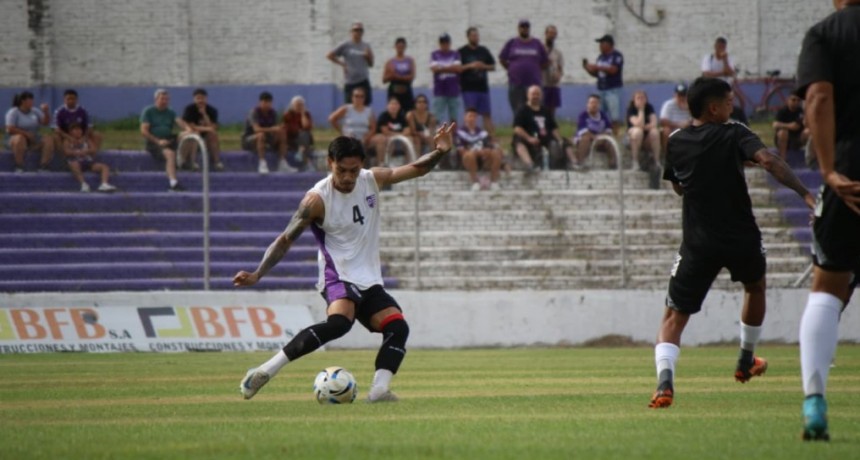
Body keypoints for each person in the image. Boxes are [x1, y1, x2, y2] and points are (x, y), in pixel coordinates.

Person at [234, 122, 458, 403]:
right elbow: (285, 239)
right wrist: (258, 273)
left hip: (369, 277)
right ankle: (265, 370)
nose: (348, 177)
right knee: (340, 323)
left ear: (361, 164)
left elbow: (416, 168)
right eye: (342, 170)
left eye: (353, 170)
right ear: (330, 163)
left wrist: (440, 151)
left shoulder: (371, 179)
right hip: (337, 275)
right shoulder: (316, 200)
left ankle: (378, 391)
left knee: (397, 327)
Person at [648, 77, 814, 410]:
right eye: (727, 102)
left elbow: (679, 186)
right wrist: (806, 195)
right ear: (713, 108)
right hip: (741, 237)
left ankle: (665, 385)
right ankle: (745, 361)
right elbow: (768, 160)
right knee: (754, 288)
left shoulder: (676, 140)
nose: (731, 107)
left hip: (697, 242)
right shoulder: (735, 132)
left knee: (673, 317)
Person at [795, 0, 860, 441]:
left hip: (851, 170)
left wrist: (827, 169)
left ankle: (815, 400)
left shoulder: (824, 34)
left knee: (829, 284)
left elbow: (818, 96)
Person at [140, 89, 189, 192]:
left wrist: (188, 130)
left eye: (167, 99)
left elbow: (181, 123)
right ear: (156, 99)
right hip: (154, 141)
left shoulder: (170, 111)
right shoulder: (149, 111)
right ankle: (173, 183)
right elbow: (144, 131)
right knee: (170, 154)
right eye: (162, 99)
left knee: (189, 136)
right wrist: (158, 141)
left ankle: (183, 161)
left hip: (168, 138)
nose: (165, 101)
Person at [511, 85, 570, 171]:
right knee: (519, 143)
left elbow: (553, 127)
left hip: (545, 139)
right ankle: (530, 165)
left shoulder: (545, 111)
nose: (535, 96)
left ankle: (572, 163)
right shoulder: (522, 110)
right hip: (528, 138)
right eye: (533, 94)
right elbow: (517, 128)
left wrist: (559, 140)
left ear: (541, 96)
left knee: (563, 142)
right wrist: (529, 138)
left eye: (538, 94)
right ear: (528, 95)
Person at [499, 19, 548, 115]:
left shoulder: (536, 43)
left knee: (535, 109)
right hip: (516, 83)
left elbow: (545, 61)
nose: (524, 29)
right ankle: (519, 128)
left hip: (534, 83)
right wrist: (511, 69)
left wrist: (535, 70)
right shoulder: (512, 43)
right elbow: (502, 59)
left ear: (529, 29)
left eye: (526, 27)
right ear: (518, 29)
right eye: (522, 27)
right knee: (518, 109)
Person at [242, 91, 295, 175]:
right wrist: (272, 129)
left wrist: (280, 129)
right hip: (250, 139)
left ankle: (282, 162)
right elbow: (256, 129)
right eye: (264, 102)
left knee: (282, 133)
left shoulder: (272, 113)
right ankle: (262, 163)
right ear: (260, 102)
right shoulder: (254, 113)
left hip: (266, 138)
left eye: (269, 102)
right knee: (260, 135)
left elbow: (275, 128)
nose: (267, 105)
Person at [458, 26, 497, 137]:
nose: (476, 38)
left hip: (483, 88)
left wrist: (483, 66)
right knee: (470, 114)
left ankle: (491, 139)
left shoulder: (483, 50)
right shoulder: (462, 52)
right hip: (468, 89)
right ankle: (467, 138)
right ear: (468, 37)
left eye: (477, 35)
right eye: (473, 36)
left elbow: (493, 66)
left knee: (487, 115)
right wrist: (471, 65)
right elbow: (457, 68)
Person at [4, 91, 53, 172]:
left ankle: (43, 165)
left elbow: (45, 123)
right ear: (23, 101)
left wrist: (46, 112)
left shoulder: (35, 111)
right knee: (20, 138)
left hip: (33, 141)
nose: (32, 102)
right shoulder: (13, 112)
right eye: (30, 100)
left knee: (48, 139)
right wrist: (26, 134)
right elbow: (10, 128)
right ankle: (19, 165)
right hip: (17, 140)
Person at [327, 22, 374, 105]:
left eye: (360, 30)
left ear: (362, 32)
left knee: (366, 105)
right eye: (355, 30)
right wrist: (343, 64)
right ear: (351, 32)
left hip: (363, 80)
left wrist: (368, 57)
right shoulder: (345, 45)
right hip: (350, 81)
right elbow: (329, 55)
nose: (358, 32)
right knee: (349, 106)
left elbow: (371, 64)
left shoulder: (366, 45)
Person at [582, 35, 624, 128]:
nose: (600, 46)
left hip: (612, 89)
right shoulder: (600, 57)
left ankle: (615, 134)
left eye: (602, 43)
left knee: (614, 116)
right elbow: (597, 74)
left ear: (609, 44)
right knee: (600, 114)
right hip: (601, 89)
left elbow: (614, 70)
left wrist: (597, 67)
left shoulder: (616, 56)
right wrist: (587, 69)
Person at [62, 123, 116, 193]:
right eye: (75, 130)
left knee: (104, 167)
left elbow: (93, 149)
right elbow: (66, 152)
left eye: (79, 130)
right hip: (75, 161)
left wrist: (86, 151)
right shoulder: (67, 141)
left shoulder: (86, 140)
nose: (78, 132)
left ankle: (104, 183)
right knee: (74, 164)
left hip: (88, 161)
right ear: (70, 132)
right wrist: (76, 153)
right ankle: (83, 184)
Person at [458, 107, 501, 191]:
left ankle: (493, 182)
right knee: (470, 155)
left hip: (482, 159)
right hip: (466, 160)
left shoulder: (482, 133)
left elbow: (490, 147)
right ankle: (475, 182)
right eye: (470, 116)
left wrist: (487, 151)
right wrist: (476, 152)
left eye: (474, 116)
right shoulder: (459, 132)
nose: (472, 118)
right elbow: (461, 151)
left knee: (496, 152)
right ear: (465, 117)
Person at [181, 88, 224, 171]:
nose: (200, 101)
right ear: (194, 99)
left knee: (213, 135)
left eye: (202, 98)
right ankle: (191, 162)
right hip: (192, 136)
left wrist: (204, 114)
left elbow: (214, 127)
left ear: (206, 98)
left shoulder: (212, 110)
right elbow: (191, 127)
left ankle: (217, 162)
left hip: (205, 137)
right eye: (198, 98)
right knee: (194, 134)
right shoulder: (189, 109)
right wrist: (208, 128)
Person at [328, 87, 376, 163]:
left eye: (361, 96)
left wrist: (367, 137)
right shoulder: (346, 109)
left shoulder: (368, 111)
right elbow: (332, 118)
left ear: (364, 98)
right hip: (349, 136)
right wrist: (342, 131)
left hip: (363, 137)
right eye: (356, 96)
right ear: (352, 97)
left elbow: (373, 128)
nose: (359, 98)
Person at [53, 89, 102, 161]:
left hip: (81, 135)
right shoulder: (59, 111)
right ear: (64, 100)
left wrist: (84, 138)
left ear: (77, 99)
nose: (71, 101)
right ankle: (63, 159)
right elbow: (56, 129)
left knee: (97, 135)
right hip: (65, 135)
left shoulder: (83, 111)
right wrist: (69, 138)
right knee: (55, 137)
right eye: (68, 99)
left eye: (73, 99)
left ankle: (92, 159)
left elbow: (90, 127)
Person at [572, 94, 614, 170]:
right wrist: (595, 138)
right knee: (585, 139)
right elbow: (584, 131)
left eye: (596, 103)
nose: (594, 105)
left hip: (600, 139)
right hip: (586, 139)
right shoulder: (583, 115)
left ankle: (613, 164)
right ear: (587, 104)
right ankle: (580, 163)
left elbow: (609, 129)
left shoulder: (603, 115)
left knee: (610, 140)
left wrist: (602, 137)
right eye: (591, 103)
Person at [626, 90, 661, 174]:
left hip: (646, 138)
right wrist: (641, 110)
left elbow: (654, 122)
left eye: (643, 97)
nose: (641, 100)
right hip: (633, 138)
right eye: (638, 98)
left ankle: (656, 161)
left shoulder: (649, 107)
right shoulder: (631, 109)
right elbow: (638, 124)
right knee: (638, 132)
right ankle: (635, 162)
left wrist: (647, 126)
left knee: (655, 132)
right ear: (634, 99)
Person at [430, 33, 462, 123]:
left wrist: (441, 68)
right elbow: (434, 69)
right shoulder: (435, 54)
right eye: (442, 43)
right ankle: (437, 135)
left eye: (446, 42)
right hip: (439, 90)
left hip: (453, 89)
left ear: (449, 43)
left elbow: (458, 69)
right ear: (440, 44)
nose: (444, 45)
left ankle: (453, 135)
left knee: (454, 117)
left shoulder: (455, 54)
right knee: (436, 116)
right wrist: (450, 68)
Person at [370, 97, 409, 166]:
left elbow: (407, 130)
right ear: (387, 106)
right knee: (386, 140)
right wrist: (400, 135)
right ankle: (382, 163)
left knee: (411, 139)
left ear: (399, 106)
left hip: (398, 138)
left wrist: (399, 135)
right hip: (384, 138)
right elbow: (385, 131)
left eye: (396, 104)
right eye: (391, 104)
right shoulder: (383, 116)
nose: (393, 106)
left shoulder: (402, 117)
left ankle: (409, 163)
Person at [772, 94, 809, 161]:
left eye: (798, 100)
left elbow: (796, 127)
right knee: (783, 132)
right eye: (793, 100)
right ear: (788, 100)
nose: (796, 102)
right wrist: (789, 126)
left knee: (808, 132)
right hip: (784, 139)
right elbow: (775, 124)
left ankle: (810, 157)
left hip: (797, 138)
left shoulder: (801, 112)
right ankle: (783, 159)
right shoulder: (782, 111)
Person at [383, 37, 416, 113]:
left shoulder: (409, 61)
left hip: (406, 92)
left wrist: (396, 76)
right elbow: (384, 79)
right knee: (393, 112)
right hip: (394, 92)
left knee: (409, 112)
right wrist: (392, 75)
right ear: (395, 47)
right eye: (398, 46)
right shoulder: (390, 62)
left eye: (402, 46)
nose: (400, 48)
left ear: (405, 47)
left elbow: (412, 76)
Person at [283, 96, 315, 171]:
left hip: (304, 138)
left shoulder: (306, 114)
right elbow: (290, 129)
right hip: (292, 139)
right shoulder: (288, 114)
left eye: (301, 105)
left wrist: (303, 114)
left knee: (305, 135)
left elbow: (307, 126)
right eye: (297, 105)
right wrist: (300, 130)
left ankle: (301, 153)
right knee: (304, 135)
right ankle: (307, 163)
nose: (299, 107)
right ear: (292, 105)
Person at [659, 83, 691, 151]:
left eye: (683, 95)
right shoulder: (668, 104)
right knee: (666, 130)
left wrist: (689, 109)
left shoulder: (690, 105)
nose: (681, 98)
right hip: (673, 129)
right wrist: (678, 124)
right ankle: (667, 155)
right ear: (675, 95)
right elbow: (663, 121)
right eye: (679, 95)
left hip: (688, 130)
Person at [542, 25, 564, 118]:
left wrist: (559, 75)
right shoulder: (540, 50)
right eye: (550, 33)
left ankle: (551, 129)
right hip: (542, 84)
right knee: (542, 109)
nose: (552, 36)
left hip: (554, 85)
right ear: (546, 34)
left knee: (552, 111)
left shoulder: (558, 52)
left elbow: (560, 68)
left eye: (554, 34)